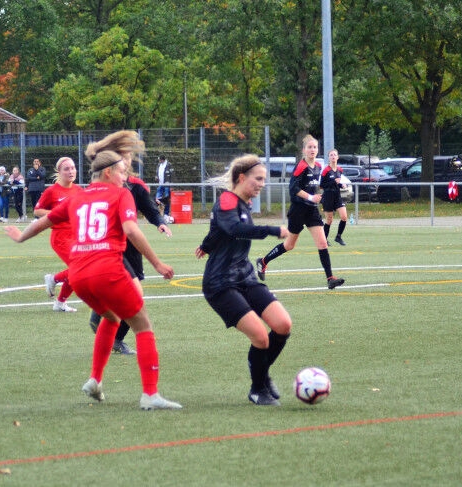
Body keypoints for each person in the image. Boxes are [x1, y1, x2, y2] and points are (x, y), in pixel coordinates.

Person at [5, 148, 182, 410]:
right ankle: (150, 395)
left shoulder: (79, 196)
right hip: (107, 269)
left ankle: (95, 380)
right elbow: (131, 229)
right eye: (122, 172)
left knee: (111, 317)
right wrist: (157, 263)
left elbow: (45, 221)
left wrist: (20, 237)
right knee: (143, 324)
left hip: (78, 276)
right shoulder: (121, 194)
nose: (125, 177)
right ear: (108, 172)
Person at [195, 154, 292, 406]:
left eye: (264, 180)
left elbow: (217, 231)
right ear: (241, 178)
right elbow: (234, 230)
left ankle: (261, 375)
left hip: (245, 276)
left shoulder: (242, 204)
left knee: (282, 324)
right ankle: (257, 388)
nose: (262, 184)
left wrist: (206, 245)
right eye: (258, 179)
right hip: (220, 284)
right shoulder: (227, 200)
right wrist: (273, 230)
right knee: (260, 336)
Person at [87, 131, 173, 356]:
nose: (128, 160)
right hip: (110, 246)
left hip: (131, 247)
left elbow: (150, 210)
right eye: (123, 156)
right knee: (132, 293)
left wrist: (160, 223)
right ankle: (110, 331)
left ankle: (109, 330)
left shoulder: (135, 186)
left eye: (128, 157)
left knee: (133, 294)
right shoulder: (102, 186)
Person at [255, 134, 345, 289]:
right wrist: (310, 197)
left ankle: (330, 278)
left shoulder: (317, 166)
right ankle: (263, 261)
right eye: (309, 147)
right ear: (304, 150)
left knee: (323, 243)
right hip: (298, 210)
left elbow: (316, 186)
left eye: (315, 147)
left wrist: (321, 196)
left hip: (312, 211)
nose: (312, 149)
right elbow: (293, 189)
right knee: (289, 245)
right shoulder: (301, 166)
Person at [37, 157, 83, 313]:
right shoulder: (52, 191)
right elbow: (37, 211)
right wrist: (58, 214)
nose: (71, 171)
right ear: (59, 172)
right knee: (80, 268)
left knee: (80, 269)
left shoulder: (78, 190)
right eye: (66, 169)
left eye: (73, 168)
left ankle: (60, 302)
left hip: (77, 236)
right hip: (61, 237)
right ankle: (54, 279)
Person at [320, 148, 348, 245]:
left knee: (344, 217)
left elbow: (337, 183)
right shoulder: (326, 170)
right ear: (329, 158)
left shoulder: (340, 170)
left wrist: (341, 185)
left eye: (334, 155)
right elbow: (321, 185)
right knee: (329, 220)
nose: (333, 157)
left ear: (338, 157)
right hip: (328, 197)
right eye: (331, 155)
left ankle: (338, 237)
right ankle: (324, 240)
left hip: (337, 196)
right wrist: (333, 182)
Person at [155, 154, 173, 221]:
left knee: (167, 200)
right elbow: (157, 172)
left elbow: (172, 175)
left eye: (159, 159)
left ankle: (166, 214)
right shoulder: (159, 164)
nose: (159, 161)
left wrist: (171, 185)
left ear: (162, 159)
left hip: (167, 185)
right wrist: (156, 176)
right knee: (157, 199)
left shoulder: (169, 164)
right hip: (160, 184)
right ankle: (155, 213)